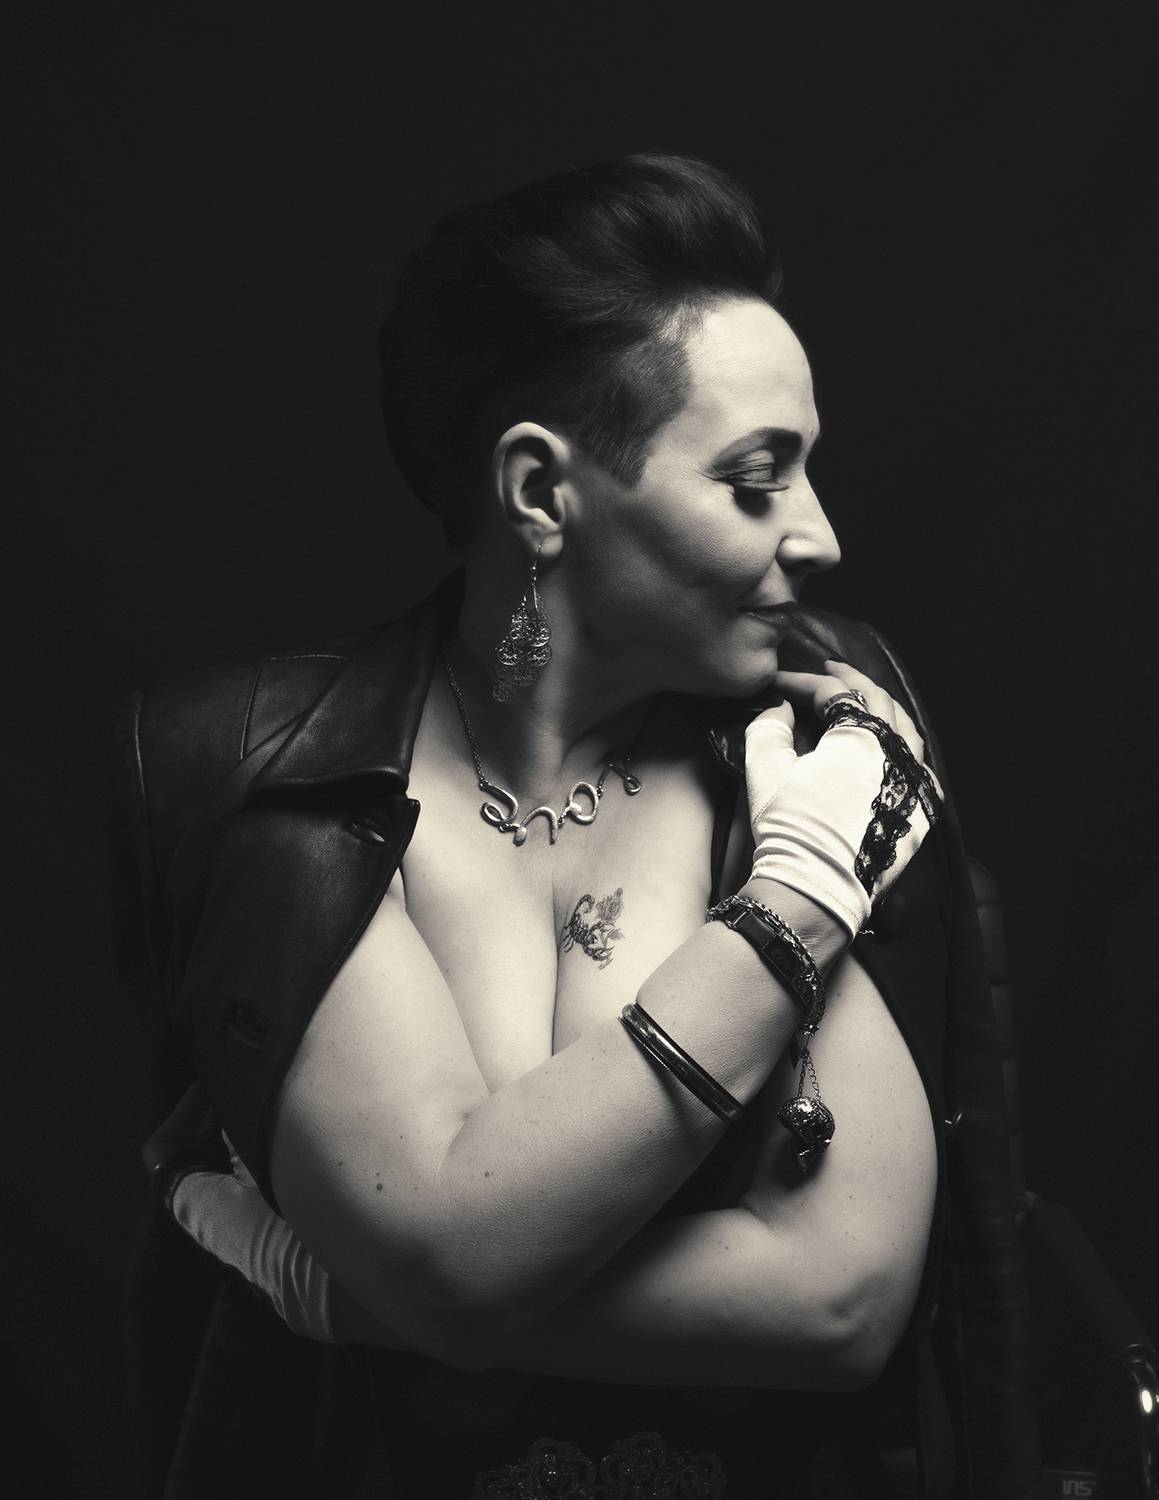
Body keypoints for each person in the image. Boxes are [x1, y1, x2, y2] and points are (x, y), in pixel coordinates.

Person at [110, 154, 1036, 1498]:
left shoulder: (818, 751)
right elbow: (453, 1259)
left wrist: (354, 1296)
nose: (823, 536)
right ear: (542, 493)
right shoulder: (295, 784)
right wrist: (802, 899)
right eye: (757, 478)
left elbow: (841, 1304)